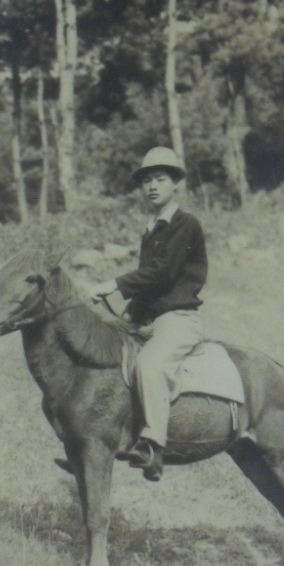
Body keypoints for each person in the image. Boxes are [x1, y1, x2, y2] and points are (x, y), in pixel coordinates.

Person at [89, 147, 208, 481]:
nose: (153, 186)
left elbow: (163, 273)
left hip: (179, 319)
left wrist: (114, 284)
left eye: (160, 179)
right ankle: (94, 446)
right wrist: (125, 315)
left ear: (175, 184)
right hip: (151, 321)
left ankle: (154, 446)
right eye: (147, 181)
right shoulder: (151, 229)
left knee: (149, 364)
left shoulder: (184, 224)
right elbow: (148, 286)